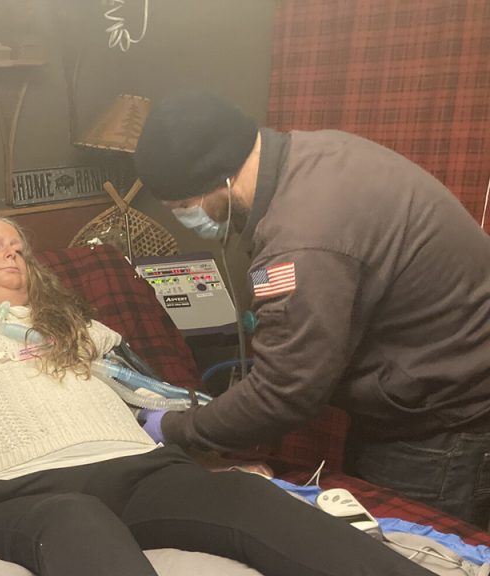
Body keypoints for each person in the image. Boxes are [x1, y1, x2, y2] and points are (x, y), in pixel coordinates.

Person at [0, 217, 433, 576]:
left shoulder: (71, 324)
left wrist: (213, 454)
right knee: (77, 518)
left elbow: (147, 392)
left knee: (245, 496)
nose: (13, 254)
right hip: (23, 487)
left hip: (139, 467)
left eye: (20, 247)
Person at [132, 90, 490, 528]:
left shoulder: (302, 237)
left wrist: (174, 429)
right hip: (419, 390)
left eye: (182, 208)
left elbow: (285, 394)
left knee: (407, 553)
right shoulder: (315, 153)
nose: (185, 219)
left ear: (220, 180)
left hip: (443, 424)